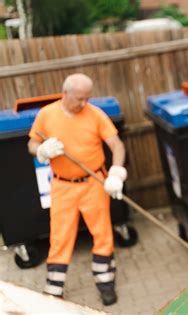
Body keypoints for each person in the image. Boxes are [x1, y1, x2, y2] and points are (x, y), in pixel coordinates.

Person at [27, 73, 127, 306]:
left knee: (102, 233)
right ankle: (54, 289)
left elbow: (117, 145)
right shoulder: (46, 115)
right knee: (60, 237)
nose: (84, 104)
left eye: (87, 98)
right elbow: (31, 143)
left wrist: (116, 173)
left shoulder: (95, 114)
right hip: (62, 185)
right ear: (66, 94)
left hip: (94, 183)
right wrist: (41, 150)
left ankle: (105, 283)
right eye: (79, 99)